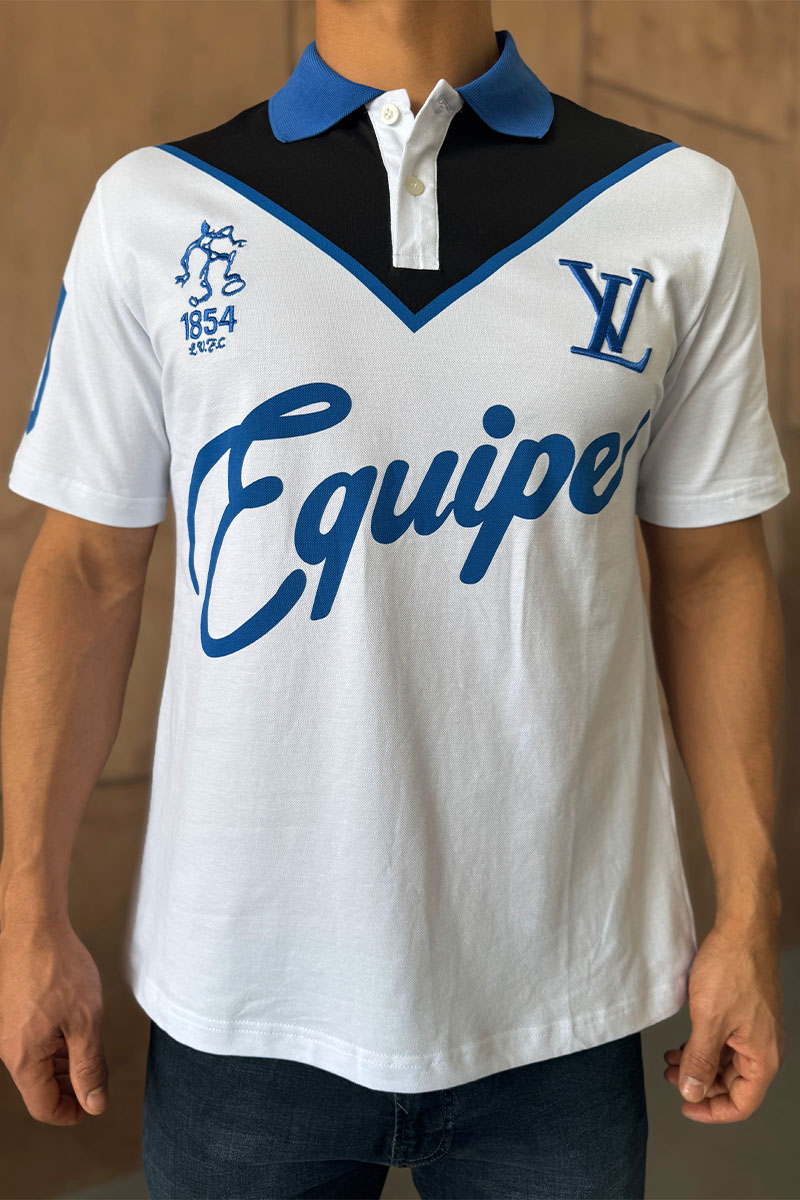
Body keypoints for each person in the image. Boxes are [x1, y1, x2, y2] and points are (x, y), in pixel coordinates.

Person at [0, 1, 789, 1196]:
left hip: (558, 1004)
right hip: (243, 998)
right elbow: (84, 572)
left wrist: (746, 913)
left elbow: (712, 571)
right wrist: (26, 913)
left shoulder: (671, 204)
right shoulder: (155, 209)